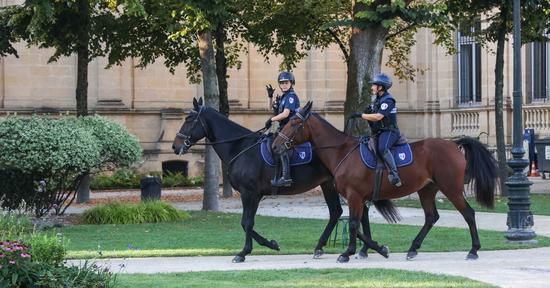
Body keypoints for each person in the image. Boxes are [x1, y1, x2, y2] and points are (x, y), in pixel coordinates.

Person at [350, 73, 402, 187]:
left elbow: (378, 117)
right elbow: (374, 117)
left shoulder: (388, 100)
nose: (372, 87)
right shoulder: (378, 100)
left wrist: (361, 115)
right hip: (380, 131)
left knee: (383, 148)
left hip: (390, 132)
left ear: (380, 87)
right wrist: (369, 111)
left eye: (374, 85)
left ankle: (394, 175)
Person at [264, 71, 300, 187]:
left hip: (292, 128)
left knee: (280, 147)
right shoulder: (283, 97)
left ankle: (286, 177)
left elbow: (285, 114)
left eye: (286, 82)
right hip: (283, 127)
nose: (284, 85)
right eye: (282, 83)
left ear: (291, 83)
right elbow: (269, 107)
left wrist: (272, 119)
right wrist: (270, 96)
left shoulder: (291, 97)